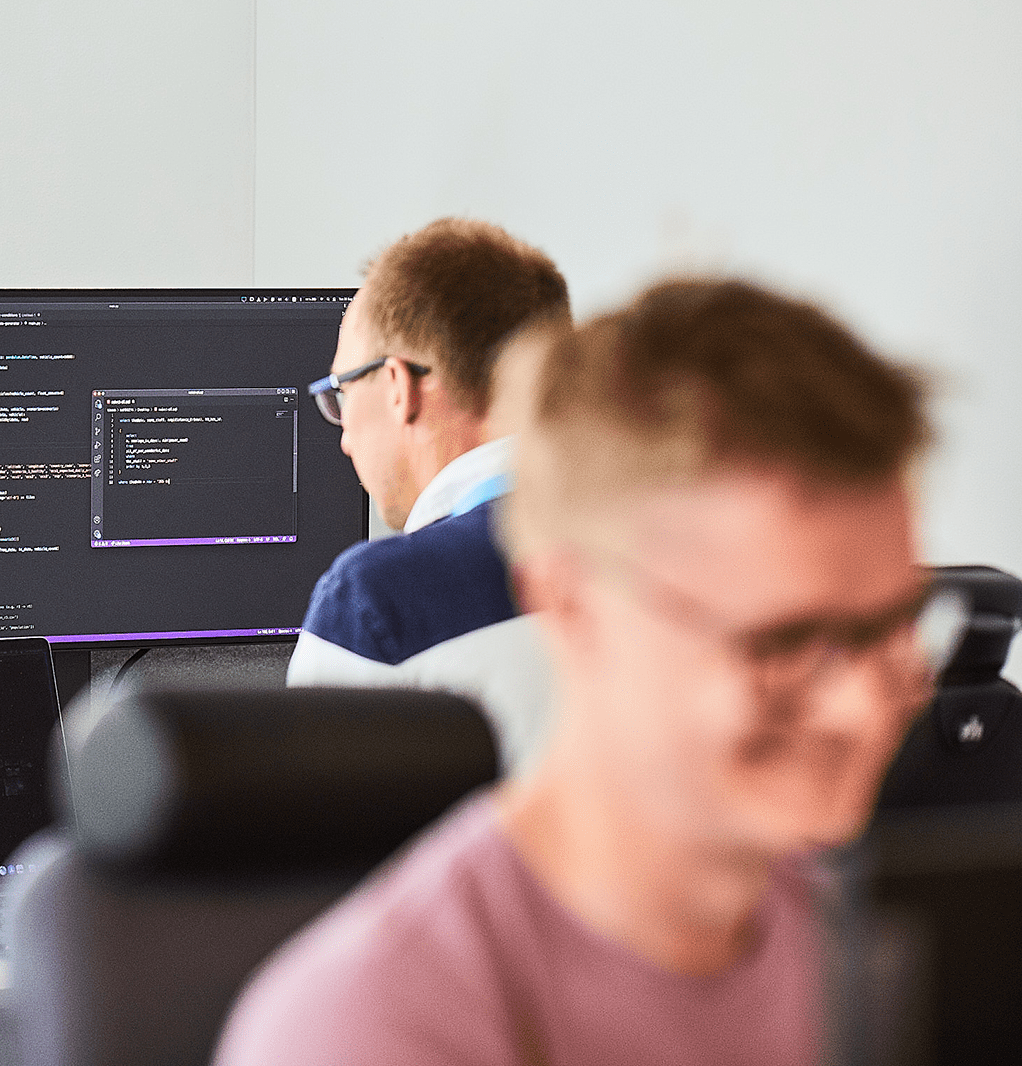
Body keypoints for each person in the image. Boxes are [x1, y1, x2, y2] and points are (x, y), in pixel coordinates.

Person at [217, 277, 955, 1066]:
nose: (866, 706)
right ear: (571, 607)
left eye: (891, 629)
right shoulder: (369, 1027)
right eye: (786, 644)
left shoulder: (880, 953)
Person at [291, 218, 570, 767]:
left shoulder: (376, 604)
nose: (345, 438)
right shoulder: (667, 551)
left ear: (399, 385)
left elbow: (295, 845)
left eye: (343, 393)